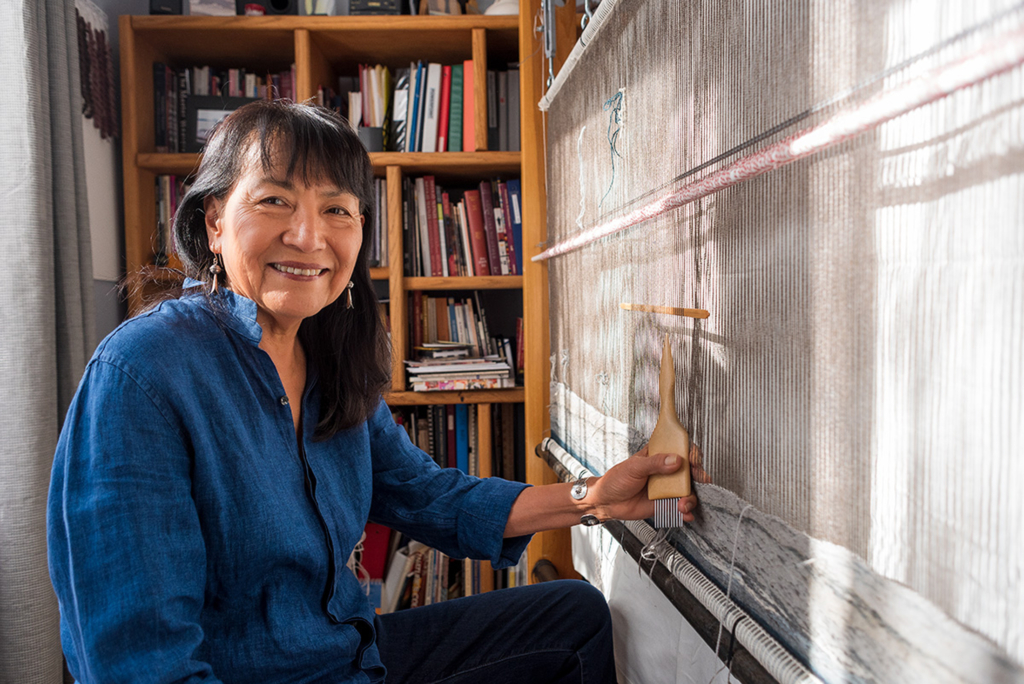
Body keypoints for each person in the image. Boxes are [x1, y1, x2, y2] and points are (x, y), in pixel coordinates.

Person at [47, 101, 701, 684]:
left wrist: (595, 500)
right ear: (215, 222)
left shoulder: (331, 359)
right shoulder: (143, 374)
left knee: (571, 617)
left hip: (347, 657)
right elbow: (139, 665)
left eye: (336, 209)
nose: (309, 236)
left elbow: (427, 496)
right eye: (274, 201)